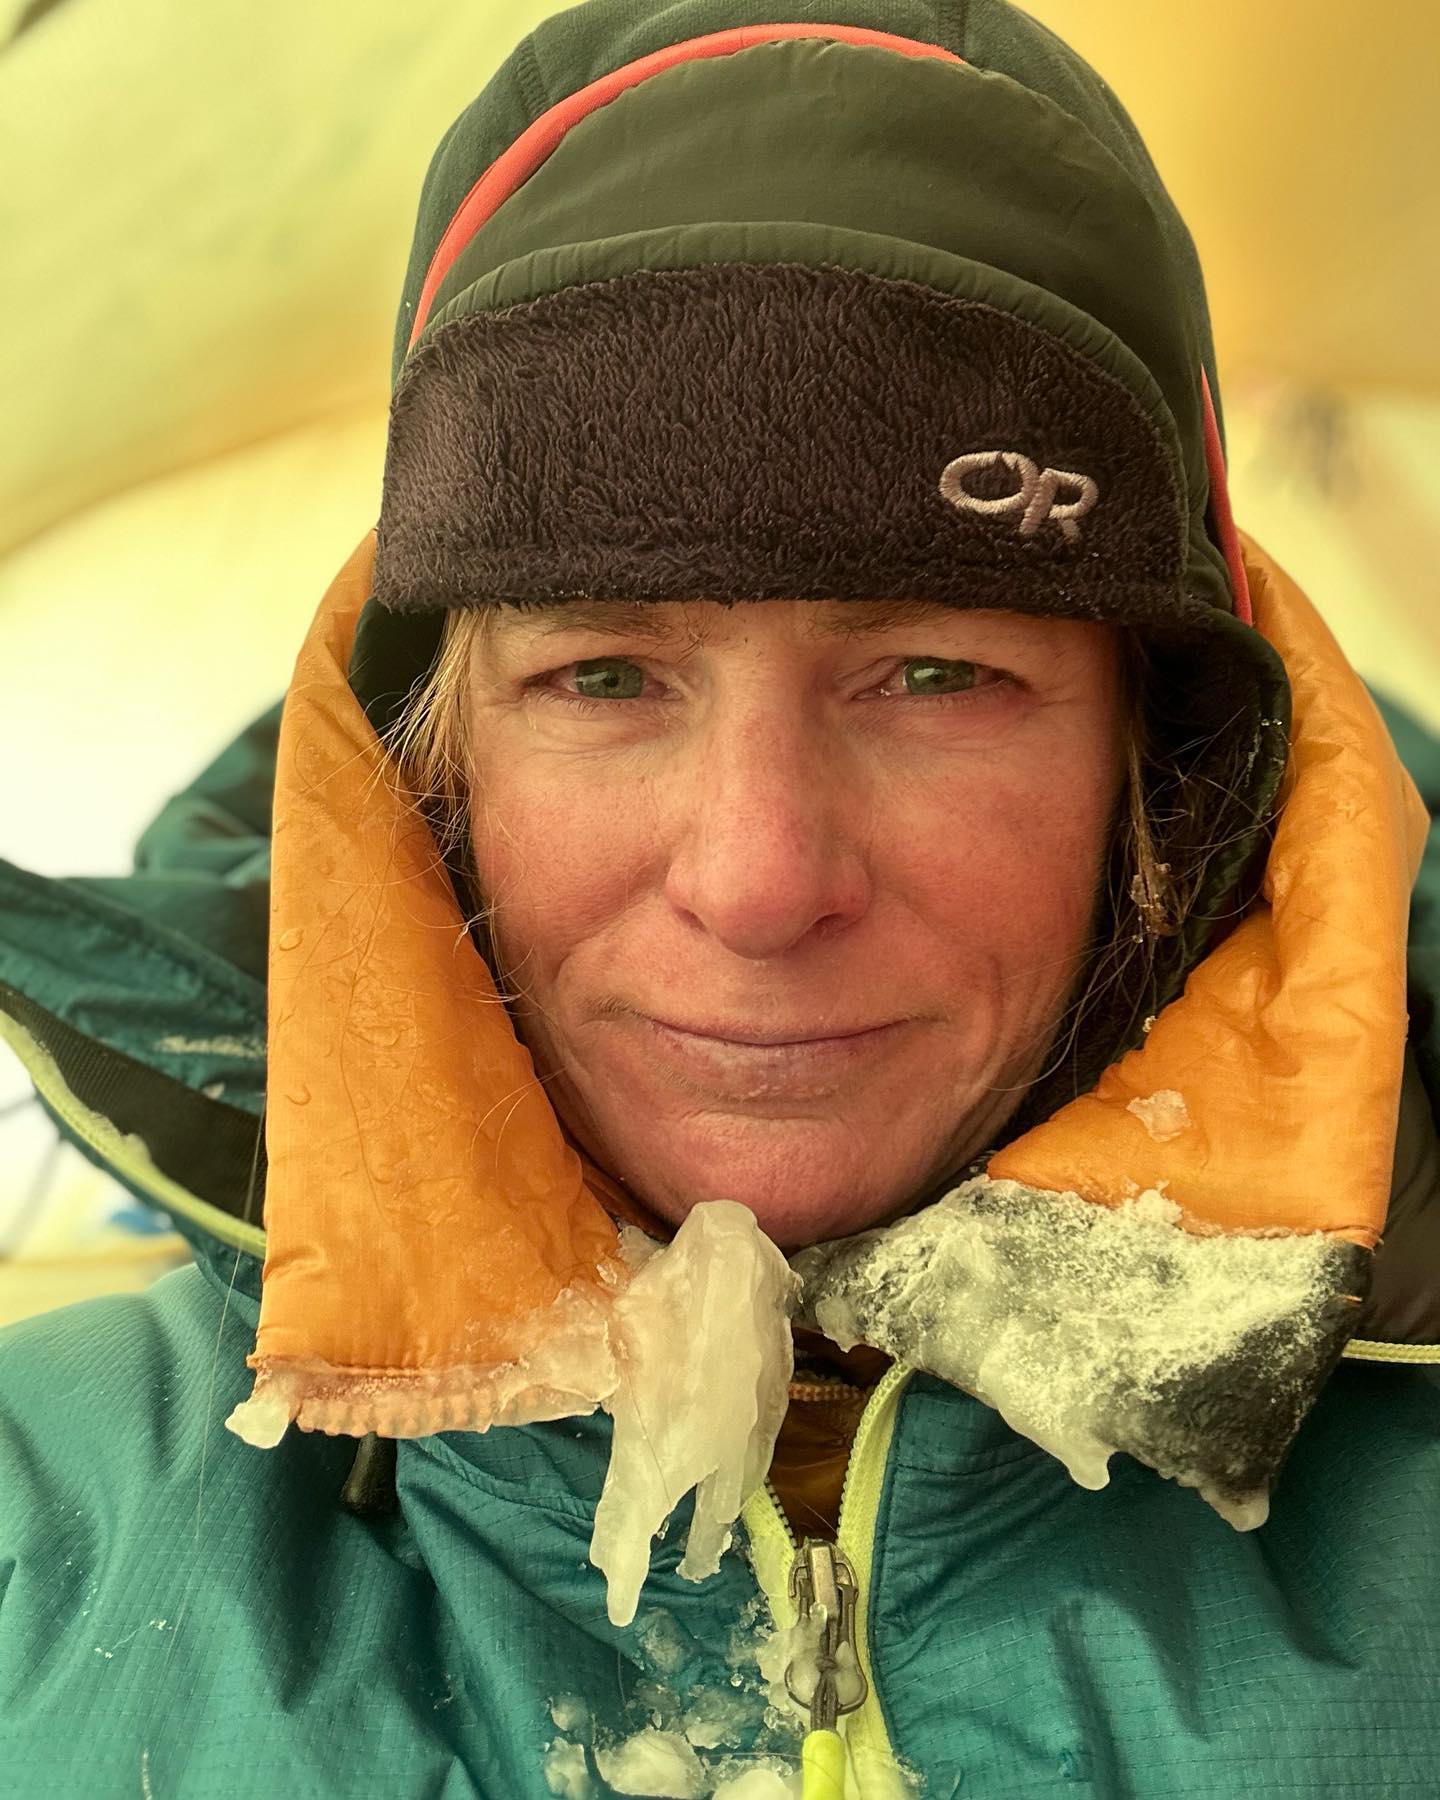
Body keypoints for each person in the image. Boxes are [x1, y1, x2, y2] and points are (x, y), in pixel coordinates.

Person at [2, 2, 1438, 1794]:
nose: (758, 882)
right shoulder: (40, 1536)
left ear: (1164, 781)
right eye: (605, 678)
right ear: (435, 781)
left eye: (934, 674)